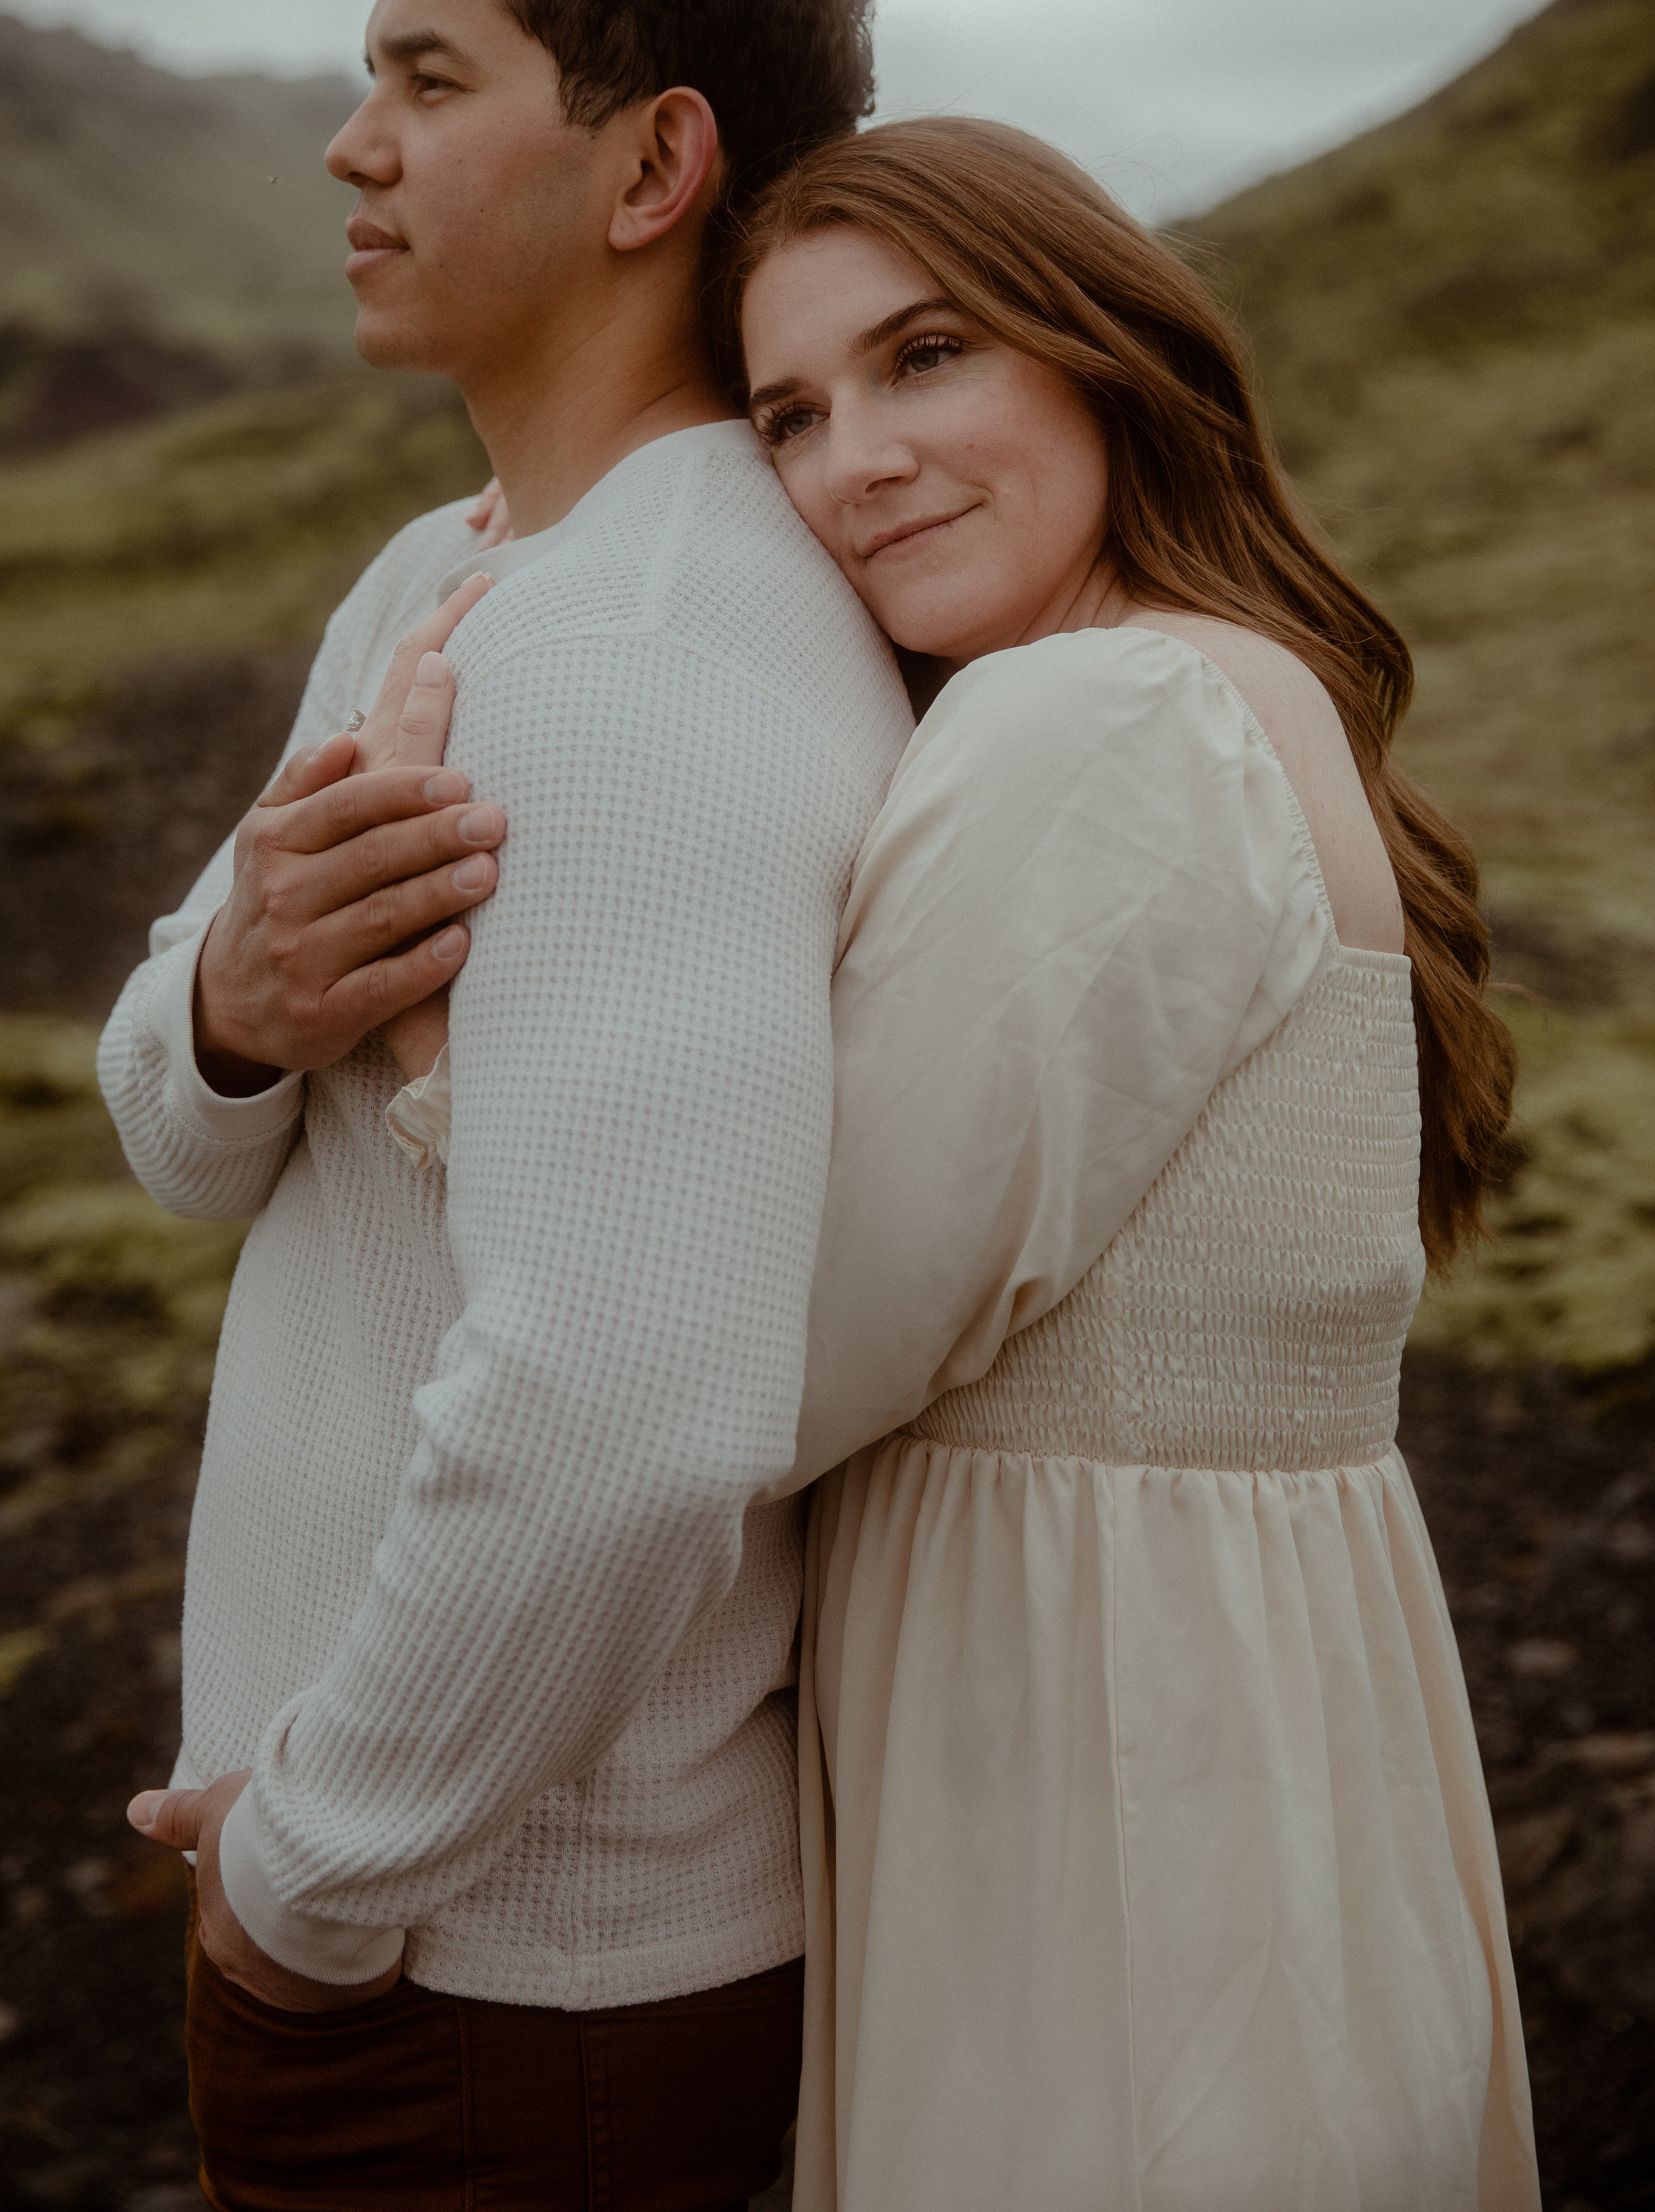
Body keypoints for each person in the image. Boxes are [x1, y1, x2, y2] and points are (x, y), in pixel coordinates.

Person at [388, 116, 1541, 2208]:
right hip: (1259, 1746)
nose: (856, 462)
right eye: (793, 414)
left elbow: (778, 1338)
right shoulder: (1227, 693)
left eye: (929, 358)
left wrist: (432, 1061)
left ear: (1100, 356)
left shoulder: (1100, 727)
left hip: (1094, 1784)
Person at [102, 0, 914, 2212]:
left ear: (658, 159)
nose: (352, 147)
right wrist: (240, 1004)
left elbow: (633, 1411)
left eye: (433, 82)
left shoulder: (644, 662)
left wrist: (309, 1884)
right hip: (419, 1937)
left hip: (498, 1981)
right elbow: (164, 1128)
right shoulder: (441, 580)